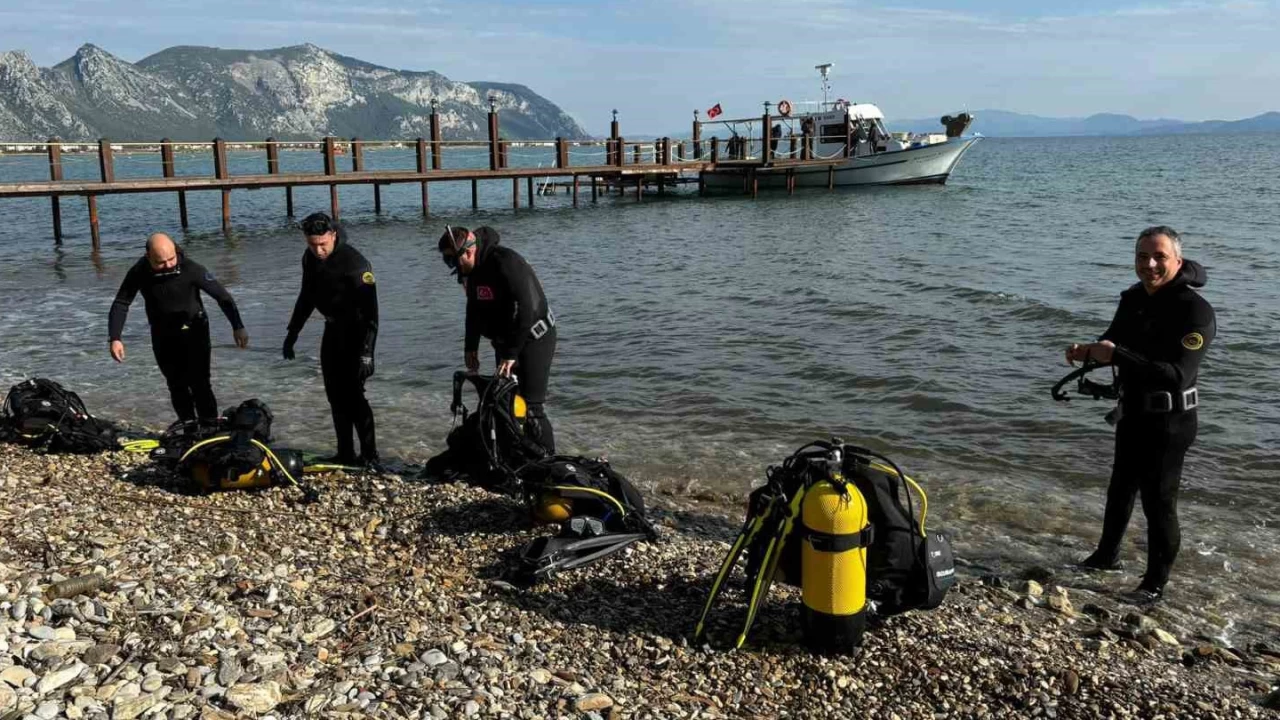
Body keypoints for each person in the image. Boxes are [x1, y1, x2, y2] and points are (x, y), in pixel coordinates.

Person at [1065, 226, 1215, 602]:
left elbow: (1177, 374)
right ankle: (1105, 557)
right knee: (1120, 489)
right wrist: (1087, 351)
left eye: (1159, 256)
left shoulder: (1195, 311)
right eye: (1141, 256)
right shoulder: (1133, 298)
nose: (1149, 264)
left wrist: (1115, 354)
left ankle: (1153, 585)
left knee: (1159, 502)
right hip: (1132, 412)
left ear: (1177, 261)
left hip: (1171, 421)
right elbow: (1114, 341)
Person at [438, 225, 557, 454]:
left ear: (469, 252)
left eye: (452, 261)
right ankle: (517, 454)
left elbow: (527, 309)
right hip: (505, 343)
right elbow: (473, 308)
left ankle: (547, 459)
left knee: (531, 406)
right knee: (505, 402)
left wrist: (511, 354)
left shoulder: (506, 262)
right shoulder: (469, 272)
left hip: (535, 337)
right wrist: (470, 347)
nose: (452, 268)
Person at [108, 233, 248, 425]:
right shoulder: (139, 271)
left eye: (171, 259)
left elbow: (223, 297)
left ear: (176, 251)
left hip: (194, 330)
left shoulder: (191, 269)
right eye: (160, 262)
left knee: (200, 384)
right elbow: (121, 303)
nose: (167, 265)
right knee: (176, 385)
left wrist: (237, 326)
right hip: (162, 334)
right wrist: (115, 337)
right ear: (148, 256)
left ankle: (209, 428)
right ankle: (189, 427)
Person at [283, 212, 380, 467]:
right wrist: (292, 333)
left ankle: (370, 455)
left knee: (354, 396)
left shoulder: (355, 264)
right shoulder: (310, 259)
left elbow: (372, 315)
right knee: (335, 396)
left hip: (358, 334)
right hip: (332, 330)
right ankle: (345, 453)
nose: (318, 250)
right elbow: (306, 297)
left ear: (333, 235)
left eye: (322, 244)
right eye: (312, 245)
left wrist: (367, 353)